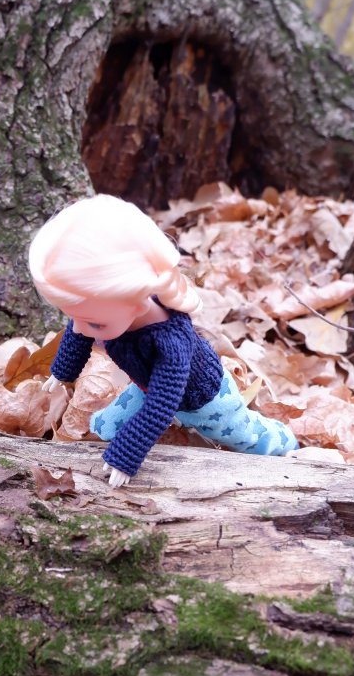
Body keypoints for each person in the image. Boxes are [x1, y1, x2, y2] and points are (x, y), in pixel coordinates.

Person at [28, 193, 299, 487]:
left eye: (94, 322)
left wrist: (127, 455)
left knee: (249, 437)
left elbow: (161, 405)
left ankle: (289, 445)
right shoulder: (114, 308)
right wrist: (62, 370)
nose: (79, 328)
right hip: (147, 388)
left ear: (137, 304)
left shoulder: (171, 341)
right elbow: (77, 328)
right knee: (104, 425)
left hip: (204, 400)